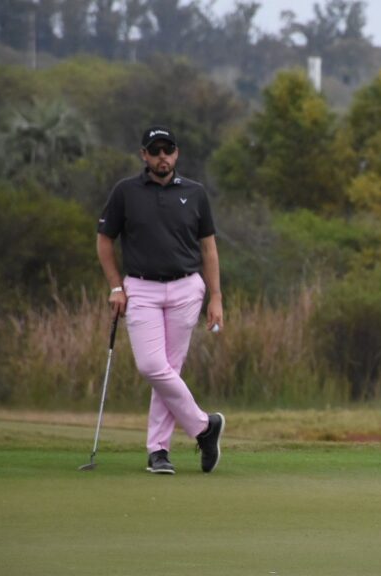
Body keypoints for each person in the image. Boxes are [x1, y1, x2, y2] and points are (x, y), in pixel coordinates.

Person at [96, 125, 225, 475]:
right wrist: (115, 287)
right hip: (141, 289)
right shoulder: (126, 192)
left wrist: (216, 297)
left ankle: (158, 452)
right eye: (155, 151)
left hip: (186, 288)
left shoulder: (195, 193)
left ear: (177, 154)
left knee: (169, 370)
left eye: (168, 150)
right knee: (152, 367)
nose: (162, 157)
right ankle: (203, 426)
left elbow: (209, 248)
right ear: (144, 156)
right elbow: (105, 241)